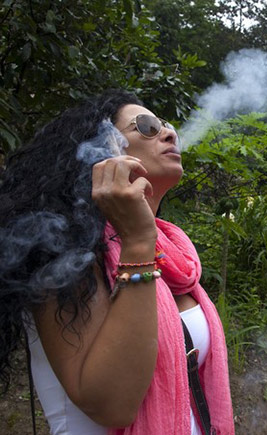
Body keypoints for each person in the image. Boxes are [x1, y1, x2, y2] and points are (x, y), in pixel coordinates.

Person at [0, 90, 234, 434]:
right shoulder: (65, 250)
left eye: (168, 127)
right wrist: (138, 242)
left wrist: (143, 239)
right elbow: (112, 405)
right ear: (101, 151)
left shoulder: (175, 256)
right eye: (147, 127)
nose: (169, 134)